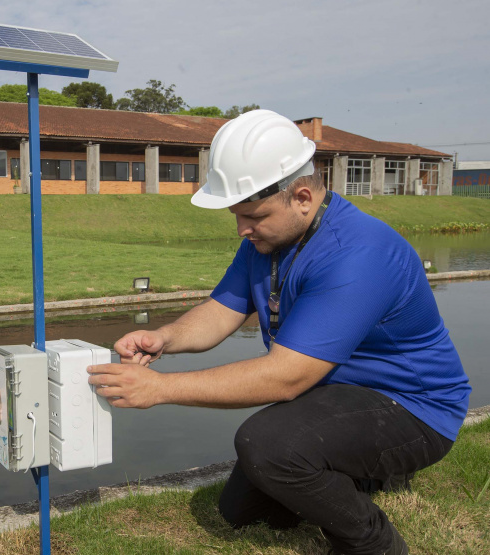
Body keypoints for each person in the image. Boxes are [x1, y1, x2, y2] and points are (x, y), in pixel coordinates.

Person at [88, 110, 470, 555]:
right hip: (336, 395)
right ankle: (355, 473)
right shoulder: (268, 239)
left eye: (252, 215)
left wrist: (159, 388)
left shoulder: (359, 255)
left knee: (267, 445)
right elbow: (221, 310)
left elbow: (285, 377)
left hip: (413, 408)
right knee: (242, 511)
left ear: (303, 197)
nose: (241, 229)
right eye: (236, 215)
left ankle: (373, 542)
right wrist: (164, 339)